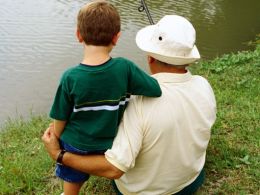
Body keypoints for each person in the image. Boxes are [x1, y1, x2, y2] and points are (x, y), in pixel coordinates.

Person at [43, 15, 216, 195]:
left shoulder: (138, 104)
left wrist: (59, 155)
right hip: (191, 182)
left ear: (150, 58)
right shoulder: (204, 85)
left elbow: (114, 169)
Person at [49, 1, 162, 194]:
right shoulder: (125, 68)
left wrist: (55, 138)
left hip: (75, 145)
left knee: (71, 182)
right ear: (116, 37)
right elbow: (155, 89)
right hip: (110, 144)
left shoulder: (70, 77)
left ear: (78, 35)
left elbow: (61, 117)